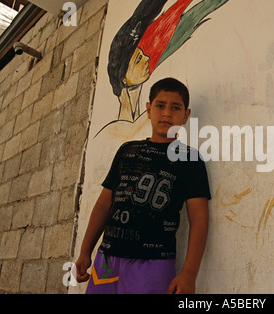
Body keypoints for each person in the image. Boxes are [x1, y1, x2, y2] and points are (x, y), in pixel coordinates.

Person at [74, 77, 211, 294]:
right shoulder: (127, 150)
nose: (167, 113)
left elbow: (199, 218)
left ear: (185, 116)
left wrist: (189, 273)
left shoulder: (190, 159)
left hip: (155, 263)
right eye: (160, 106)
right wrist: (85, 251)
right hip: (107, 258)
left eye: (175, 108)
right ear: (148, 109)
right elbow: (104, 204)